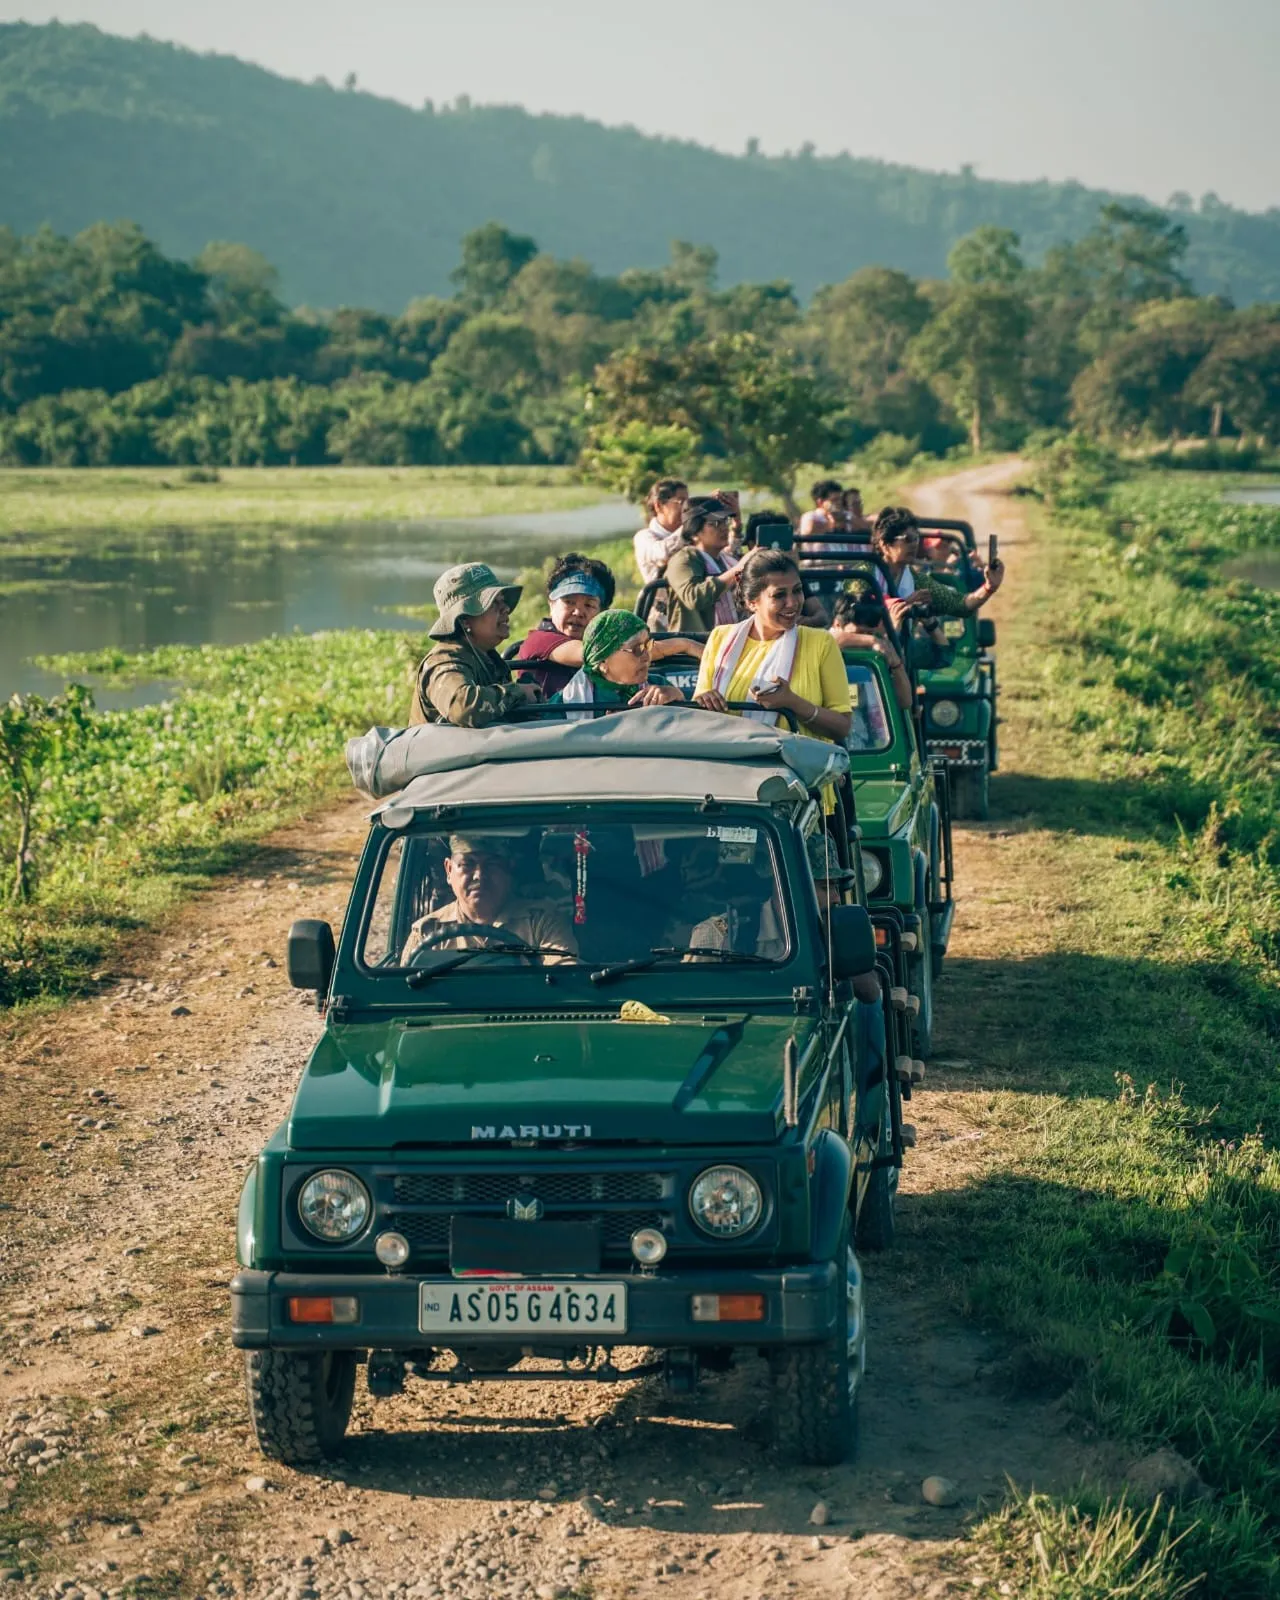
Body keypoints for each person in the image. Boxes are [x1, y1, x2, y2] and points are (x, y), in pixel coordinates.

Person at [692, 549, 852, 746]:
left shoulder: (821, 643)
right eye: (779, 595)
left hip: (801, 774)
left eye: (797, 590)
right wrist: (704, 701)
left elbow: (842, 727)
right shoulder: (720, 639)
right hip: (732, 772)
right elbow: (699, 711)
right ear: (752, 602)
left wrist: (792, 703)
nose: (792, 603)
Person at [400, 834, 576, 964]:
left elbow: (566, 981)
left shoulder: (542, 922)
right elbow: (405, 996)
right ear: (448, 870)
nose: (479, 876)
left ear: (509, 869)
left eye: (492, 864)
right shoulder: (426, 932)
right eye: (467, 864)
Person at [409, 563, 541, 727]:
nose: (506, 608)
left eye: (503, 601)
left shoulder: (487, 659)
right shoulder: (443, 661)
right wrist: (518, 693)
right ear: (464, 620)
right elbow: (462, 707)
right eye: (493, 603)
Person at [872, 506, 1003, 628]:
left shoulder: (915, 579)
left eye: (916, 538)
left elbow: (960, 604)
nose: (913, 545)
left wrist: (988, 588)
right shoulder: (865, 575)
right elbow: (861, 621)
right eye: (908, 539)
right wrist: (906, 605)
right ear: (885, 545)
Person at [556, 609, 686, 716]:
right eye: (637, 649)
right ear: (602, 663)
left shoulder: (660, 686)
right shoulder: (564, 704)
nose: (647, 656)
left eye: (648, 645)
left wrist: (679, 699)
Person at [664, 502, 748, 634]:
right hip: (693, 645)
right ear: (694, 533)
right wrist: (737, 570)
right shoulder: (684, 558)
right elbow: (693, 597)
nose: (724, 528)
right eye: (715, 523)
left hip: (727, 639)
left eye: (725, 522)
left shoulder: (725, 559)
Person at [828, 588, 913, 713]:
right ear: (837, 625)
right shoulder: (822, 645)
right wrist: (872, 640)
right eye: (859, 633)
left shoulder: (880, 651)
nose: (865, 640)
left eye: (869, 633)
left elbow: (905, 701)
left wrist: (896, 664)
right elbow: (832, 639)